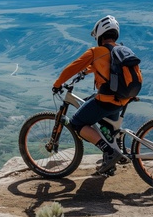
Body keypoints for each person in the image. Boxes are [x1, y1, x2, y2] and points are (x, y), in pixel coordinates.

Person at [52, 15, 131, 174]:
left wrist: (57, 83)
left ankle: (110, 153)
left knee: (77, 123)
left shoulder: (96, 52)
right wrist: (86, 71)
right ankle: (110, 164)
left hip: (108, 100)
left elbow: (72, 68)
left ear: (100, 35)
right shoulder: (121, 50)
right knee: (105, 124)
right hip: (122, 97)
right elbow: (107, 69)